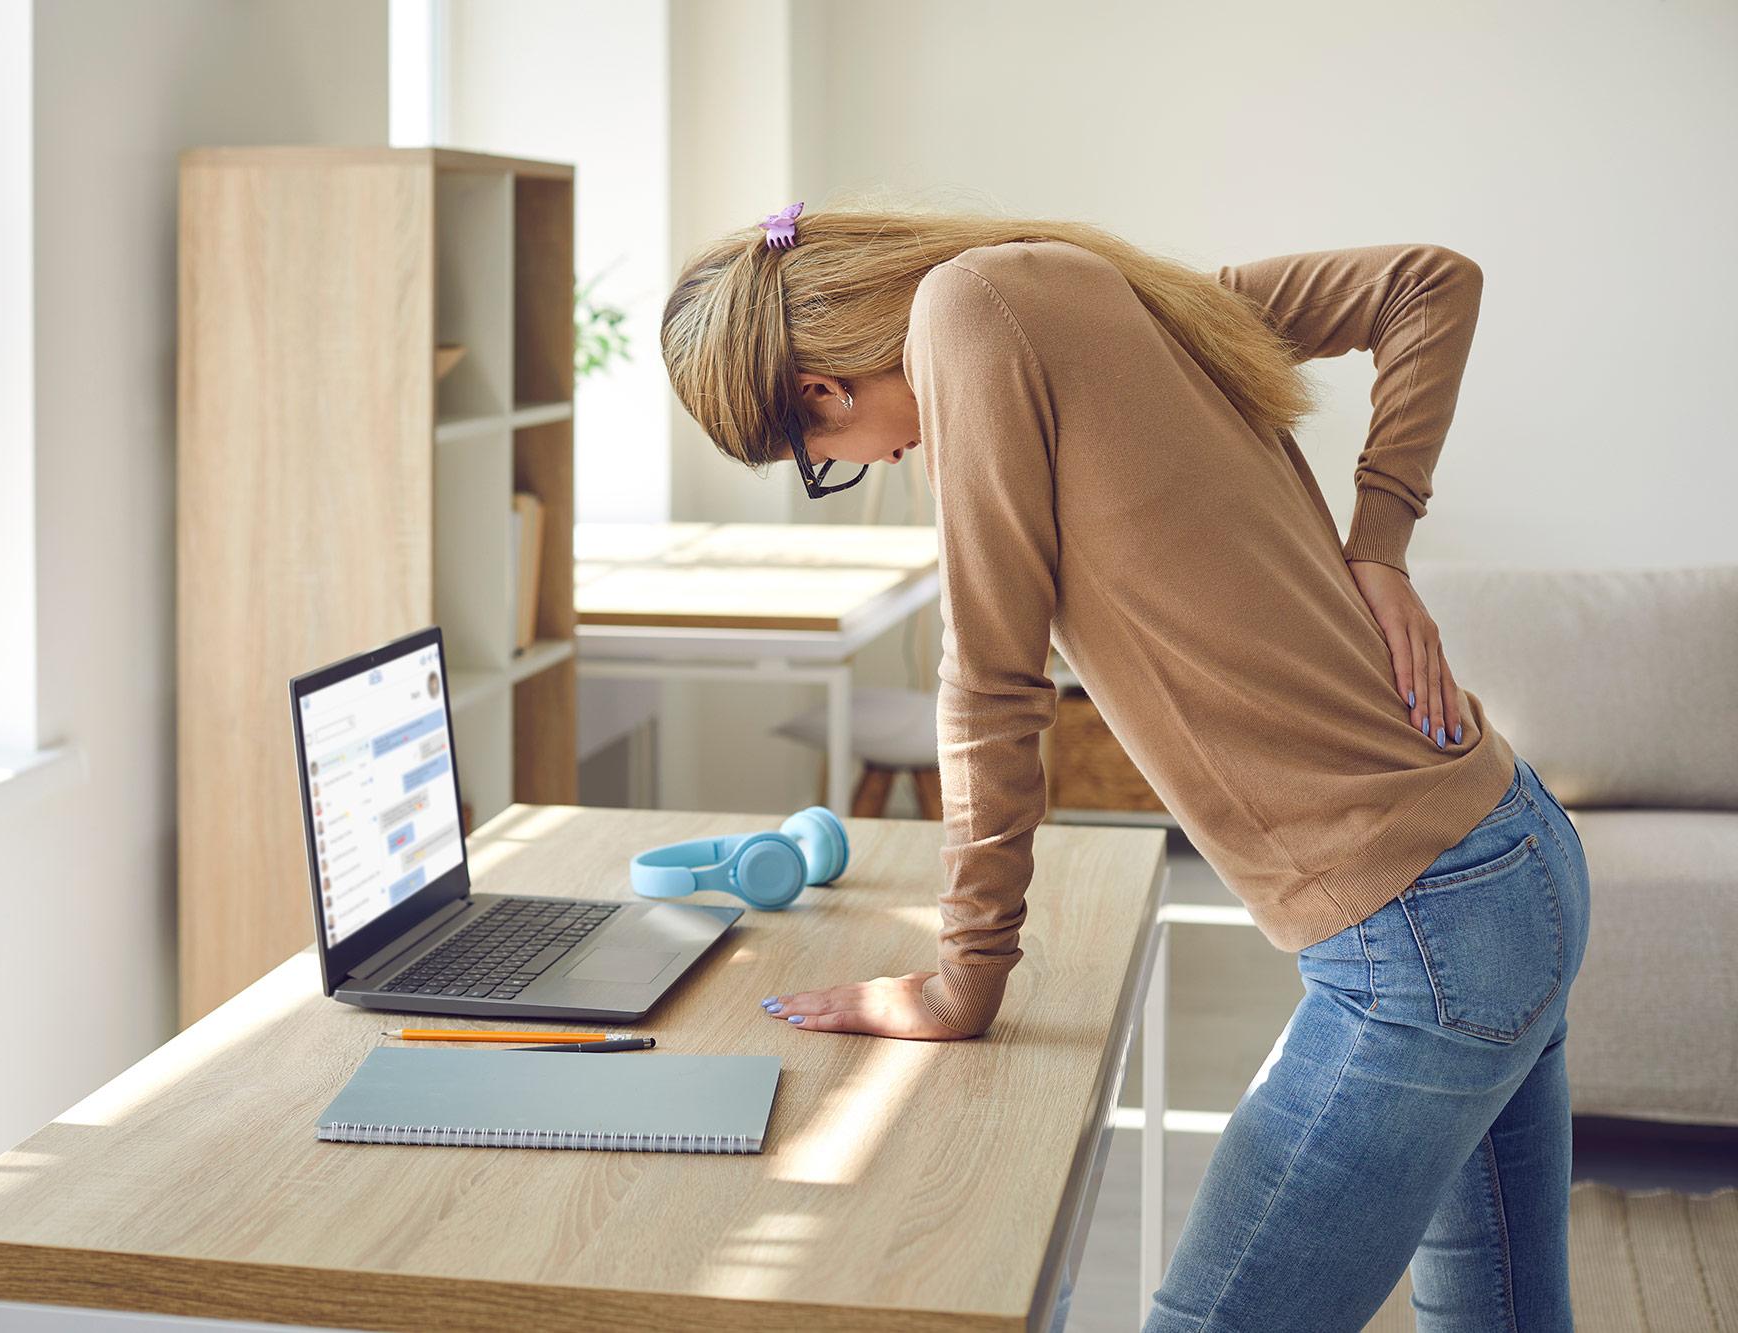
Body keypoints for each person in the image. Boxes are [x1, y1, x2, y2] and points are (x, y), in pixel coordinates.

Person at [659, 198, 1591, 1331]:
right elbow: (1427, 280)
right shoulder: (1081, 286)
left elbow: (991, 685)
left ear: (820, 394)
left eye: (817, 463)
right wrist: (1377, 542)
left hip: (1424, 936)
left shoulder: (966, 316)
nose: (874, 461)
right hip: (1506, 855)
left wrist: (964, 978)